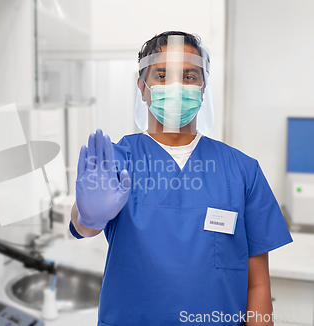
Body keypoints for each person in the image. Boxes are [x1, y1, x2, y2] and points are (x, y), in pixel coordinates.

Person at [69, 31, 292, 326]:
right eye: (162, 75)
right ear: (142, 85)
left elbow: (258, 284)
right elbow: (83, 227)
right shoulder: (118, 160)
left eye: (188, 77)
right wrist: (88, 216)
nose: (176, 86)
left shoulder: (241, 170)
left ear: (203, 86)